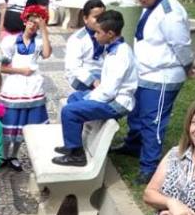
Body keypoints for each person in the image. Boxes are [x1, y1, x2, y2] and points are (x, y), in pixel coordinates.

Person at [112, 0, 194, 184]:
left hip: (162, 77)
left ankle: (149, 166)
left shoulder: (170, 14)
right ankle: (133, 145)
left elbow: (181, 44)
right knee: (136, 113)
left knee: (152, 122)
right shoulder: (153, 4)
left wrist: (188, 66)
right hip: (145, 73)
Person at [53, 10, 137, 167]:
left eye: (98, 32)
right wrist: (87, 96)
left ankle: (77, 155)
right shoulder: (114, 48)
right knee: (74, 98)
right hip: (109, 95)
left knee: (69, 111)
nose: (95, 36)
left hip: (117, 103)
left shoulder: (120, 55)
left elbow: (108, 92)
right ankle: (72, 144)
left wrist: (88, 98)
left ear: (110, 34)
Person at [0, 4, 51, 171]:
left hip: (33, 88)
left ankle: (14, 155)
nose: (33, 25)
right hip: (14, 87)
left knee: (24, 124)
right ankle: (3, 155)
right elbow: (3, 68)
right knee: (10, 121)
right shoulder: (11, 42)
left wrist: (44, 30)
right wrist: (21, 71)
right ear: (25, 21)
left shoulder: (39, 42)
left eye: (37, 23)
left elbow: (47, 54)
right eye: (31, 21)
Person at [64, 0, 106, 92]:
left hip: (102, 75)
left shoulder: (107, 35)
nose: (100, 21)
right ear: (85, 19)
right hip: (82, 78)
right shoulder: (77, 39)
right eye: (96, 17)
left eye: (103, 17)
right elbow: (73, 67)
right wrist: (93, 81)